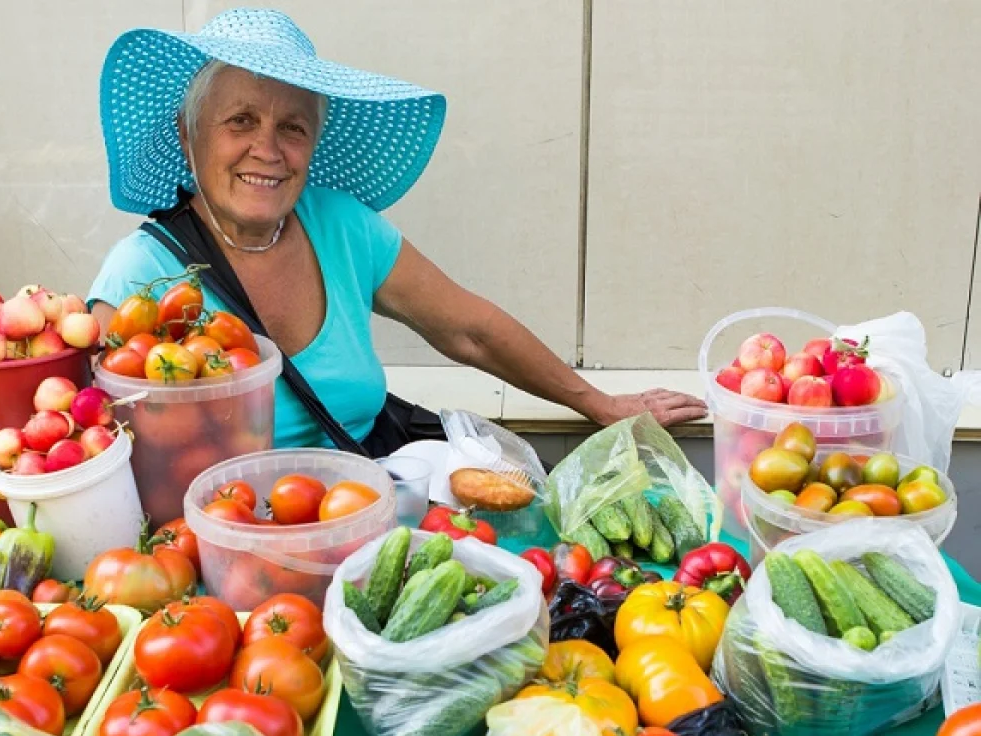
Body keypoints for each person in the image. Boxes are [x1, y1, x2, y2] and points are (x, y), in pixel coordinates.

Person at [87, 8, 706, 453]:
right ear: (186, 135)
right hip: (226, 549)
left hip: (366, 516)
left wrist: (598, 404)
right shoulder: (139, 275)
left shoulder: (340, 226)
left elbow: (468, 329)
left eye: (293, 128)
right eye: (240, 120)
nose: (267, 149)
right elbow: (97, 441)